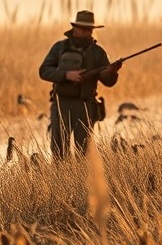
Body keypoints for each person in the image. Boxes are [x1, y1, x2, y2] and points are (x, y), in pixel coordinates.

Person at [39, 10, 122, 159]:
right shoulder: (59, 48)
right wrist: (66, 75)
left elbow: (108, 81)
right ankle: (60, 174)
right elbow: (44, 71)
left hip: (85, 106)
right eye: (82, 28)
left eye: (89, 29)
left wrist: (112, 72)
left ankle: (80, 174)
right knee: (58, 150)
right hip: (61, 104)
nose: (86, 32)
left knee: (83, 152)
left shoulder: (98, 52)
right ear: (74, 27)